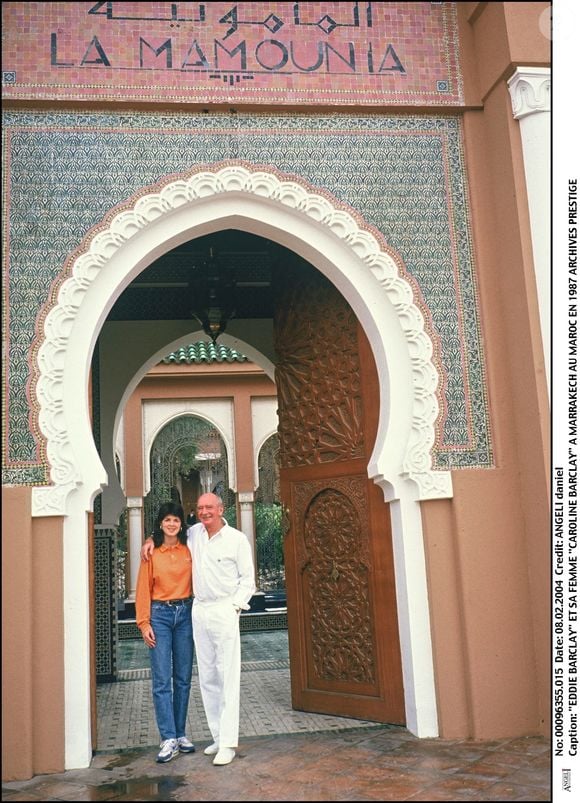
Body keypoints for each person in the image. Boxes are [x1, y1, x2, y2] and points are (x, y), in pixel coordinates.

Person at [142, 492, 256, 766]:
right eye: (200, 507)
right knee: (206, 676)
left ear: (221, 509)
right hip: (198, 610)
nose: (204, 511)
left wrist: (235, 607)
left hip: (224, 610)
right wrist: (148, 540)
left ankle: (228, 742)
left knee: (226, 674)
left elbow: (248, 580)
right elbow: (167, 532)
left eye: (210, 507)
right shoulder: (193, 534)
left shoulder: (237, 540)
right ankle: (217, 736)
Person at [135, 501, 197, 764]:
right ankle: (167, 737)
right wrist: (144, 623)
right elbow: (142, 589)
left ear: (181, 524)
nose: (172, 524)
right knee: (162, 680)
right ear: (160, 523)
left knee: (182, 678)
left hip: (185, 613)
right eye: (167, 520)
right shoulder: (152, 553)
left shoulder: (189, 548)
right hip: (159, 615)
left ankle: (180, 734)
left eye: (176, 520)